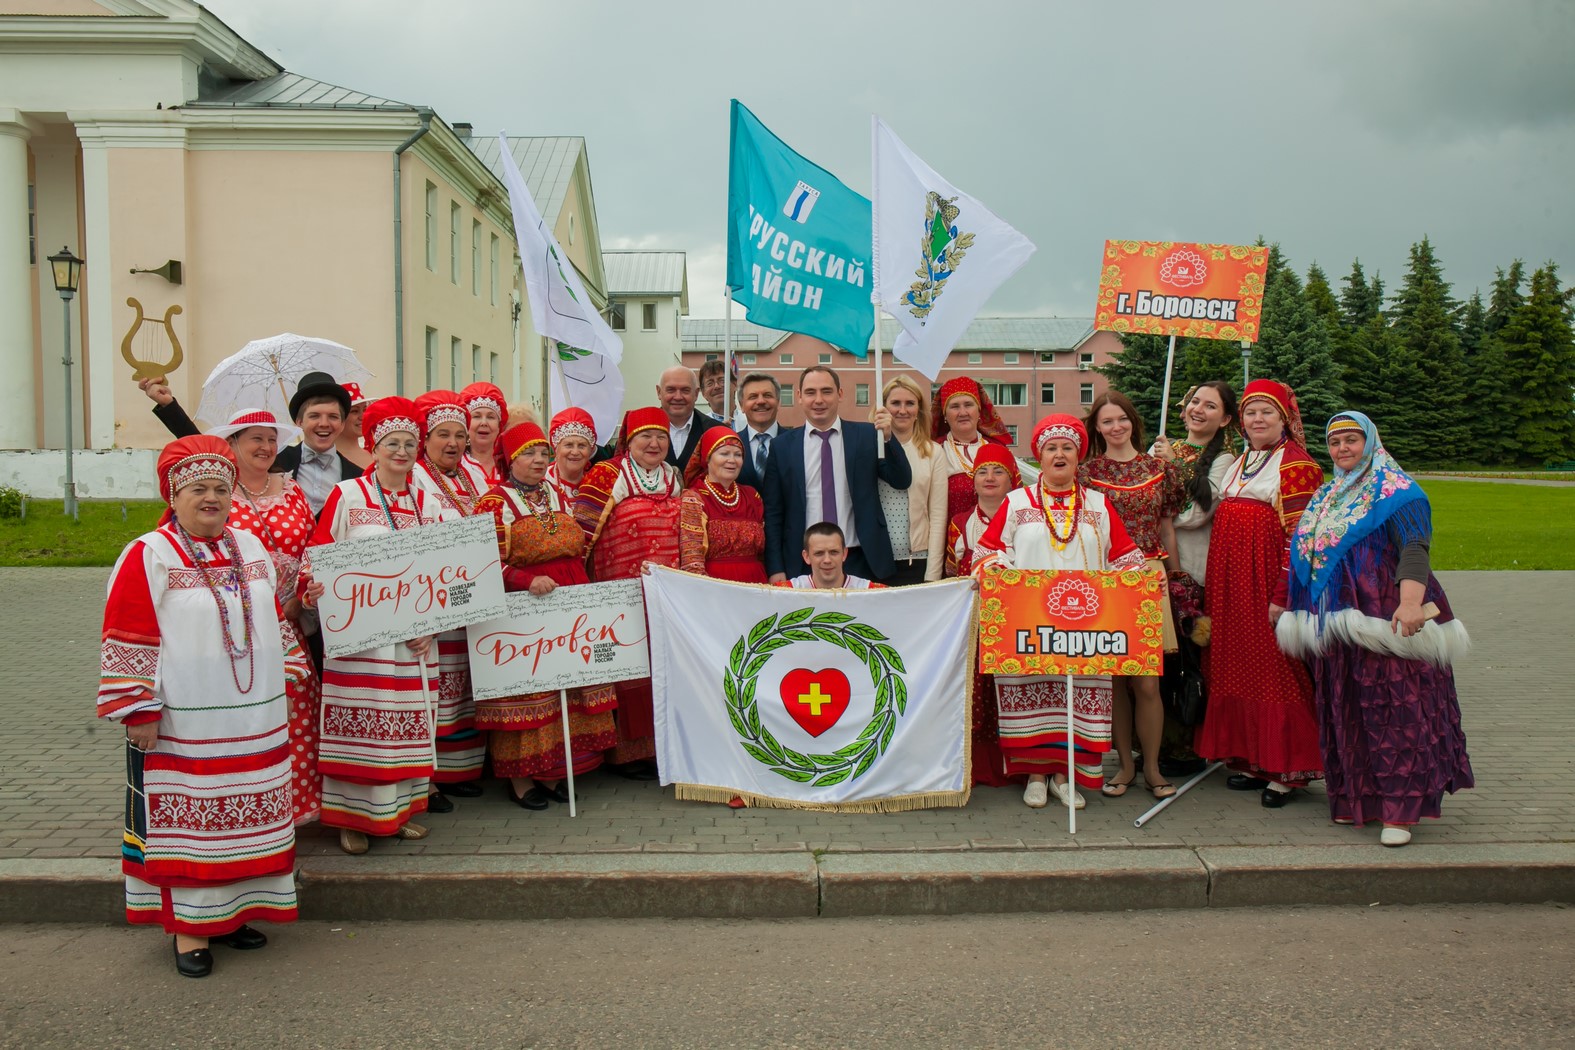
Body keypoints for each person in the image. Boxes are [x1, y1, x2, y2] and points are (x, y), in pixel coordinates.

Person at [99, 436, 299, 977]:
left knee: (243, 818)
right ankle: (190, 930)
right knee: (193, 824)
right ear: (174, 494)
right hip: (184, 721)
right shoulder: (150, 553)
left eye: (220, 488)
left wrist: (298, 643)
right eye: (197, 489)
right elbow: (128, 633)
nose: (211, 498)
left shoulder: (250, 547)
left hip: (254, 715)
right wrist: (139, 709)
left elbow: (272, 616)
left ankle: (231, 916)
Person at [1278, 411, 1473, 846]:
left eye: (1352, 439)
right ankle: (1356, 799)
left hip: (1385, 616)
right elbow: (1305, 553)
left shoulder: (1400, 492)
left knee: (1394, 711)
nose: (1343, 449)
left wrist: (1408, 603)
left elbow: (1415, 549)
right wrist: (1291, 605)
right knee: (1345, 706)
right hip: (1337, 623)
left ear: (1370, 442)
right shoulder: (1327, 494)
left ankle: (1400, 813)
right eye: (1335, 442)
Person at [972, 415, 1147, 810]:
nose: (1059, 454)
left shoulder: (1099, 506)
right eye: (1051, 448)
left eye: (1067, 447)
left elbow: (1125, 557)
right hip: (1028, 625)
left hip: (1085, 625)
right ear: (1039, 456)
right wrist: (1002, 577)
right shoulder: (1017, 503)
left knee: (1074, 695)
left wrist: (1138, 583)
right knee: (1034, 695)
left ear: (1078, 457)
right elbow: (985, 552)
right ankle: (1035, 774)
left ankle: (1065, 775)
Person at [301, 397, 451, 854]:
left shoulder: (430, 504)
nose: (401, 451)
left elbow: (452, 569)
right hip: (363, 642)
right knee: (363, 728)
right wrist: (313, 588)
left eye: (409, 443)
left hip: (415, 641)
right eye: (392, 443)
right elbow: (318, 553)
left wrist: (434, 623)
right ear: (373, 446)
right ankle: (353, 819)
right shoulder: (348, 496)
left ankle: (397, 814)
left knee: (406, 728)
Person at [473, 422, 618, 809]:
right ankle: (521, 778)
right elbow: (481, 564)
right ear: (510, 459)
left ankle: (555, 770)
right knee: (531, 691)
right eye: (528, 454)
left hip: (568, 601)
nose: (538, 460)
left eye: (542, 453)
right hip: (524, 608)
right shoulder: (494, 502)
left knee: (566, 688)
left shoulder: (558, 494)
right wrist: (524, 579)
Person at [1195, 379, 1325, 808]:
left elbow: (1301, 539)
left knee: (1276, 667)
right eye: (1250, 412)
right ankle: (1254, 758)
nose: (1257, 419)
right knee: (1236, 662)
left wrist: (1282, 595)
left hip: (1264, 579)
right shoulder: (1243, 459)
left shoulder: (1296, 465)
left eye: (1266, 412)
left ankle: (1287, 768)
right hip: (1231, 580)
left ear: (1284, 418)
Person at [207, 409, 322, 827]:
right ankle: (247, 808)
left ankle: (292, 810)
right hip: (236, 622)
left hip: (291, 619)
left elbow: (312, 545)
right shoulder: (219, 493)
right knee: (247, 710)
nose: (266, 448)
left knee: (295, 709)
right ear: (233, 443)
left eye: (272, 440)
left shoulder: (290, 490)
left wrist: (301, 597)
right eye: (255, 439)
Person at [1081, 391, 1185, 802]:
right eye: (1107, 421)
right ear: (1097, 428)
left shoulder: (1160, 469)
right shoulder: (1086, 474)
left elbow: (1167, 528)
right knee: (1116, 680)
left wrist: (1176, 576)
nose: (1116, 427)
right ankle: (1124, 765)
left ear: (1132, 421)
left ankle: (1153, 767)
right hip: (1106, 578)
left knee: (1147, 683)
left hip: (1148, 577)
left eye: (1121, 418)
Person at [574, 406, 686, 777]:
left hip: (663, 593)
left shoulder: (674, 476)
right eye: (645, 437)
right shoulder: (606, 475)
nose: (654, 444)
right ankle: (624, 754)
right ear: (628, 440)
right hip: (619, 592)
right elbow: (582, 535)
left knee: (661, 668)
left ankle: (660, 749)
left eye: (661, 437)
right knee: (626, 668)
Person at [1150, 382, 1237, 777]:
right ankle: (1154, 741)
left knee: (1188, 661)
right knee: (1162, 659)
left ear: (1226, 418)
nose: (1199, 409)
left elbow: (1195, 513)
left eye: (1211, 405)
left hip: (1195, 570)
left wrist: (1173, 467)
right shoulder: (1165, 449)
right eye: (1195, 402)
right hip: (1159, 567)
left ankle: (1187, 747)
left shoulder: (1224, 460)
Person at [407, 390, 489, 810]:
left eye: (460, 434)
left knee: (462, 688)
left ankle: (459, 771)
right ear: (426, 438)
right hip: (434, 598)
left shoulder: (472, 475)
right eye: (443, 434)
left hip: (470, 595)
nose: (453, 443)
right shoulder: (415, 477)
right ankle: (428, 781)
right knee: (433, 689)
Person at [761, 365, 911, 585]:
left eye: (827, 391)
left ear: (840, 394)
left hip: (861, 557)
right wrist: (775, 567)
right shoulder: (781, 447)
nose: (819, 400)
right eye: (811, 392)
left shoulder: (867, 435)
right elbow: (774, 513)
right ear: (799, 397)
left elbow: (901, 480)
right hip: (803, 562)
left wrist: (889, 439)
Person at [944, 442, 1019, 788]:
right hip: (973, 619)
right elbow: (949, 574)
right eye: (982, 472)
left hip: (1013, 616)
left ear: (1013, 478)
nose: (989, 478)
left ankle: (1019, 761)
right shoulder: (960, 524)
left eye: (998, 471)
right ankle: (974, 763)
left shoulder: (1024, 520)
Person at [925, 377, 1020, 581]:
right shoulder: (933, 451)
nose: (962, 412)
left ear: (979, 411)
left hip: (1000, 545)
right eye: (954, 406)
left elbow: (1017, 500)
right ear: (944, 414)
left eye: (968, 405)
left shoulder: (999, 450)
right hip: (947, 546)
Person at [680, 426, 767, 583]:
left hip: (756, 584)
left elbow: (762, 553)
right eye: (724, 453)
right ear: (708, 458)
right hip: (715, 588)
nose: (732, 460)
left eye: (738, 455)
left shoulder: (752, 496)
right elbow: (691, 558)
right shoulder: (694, 497)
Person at [274, 371, 362, 514]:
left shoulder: (358, 477)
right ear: (299, 421)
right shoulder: (276, 462)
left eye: (333, 417)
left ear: (342, 424)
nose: (324, 423)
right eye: (314, 416)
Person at [879, 375, 938, 586]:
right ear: (883, 407)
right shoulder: (868, 447)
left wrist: (933, 573)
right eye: (895, 403)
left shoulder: (933, 452)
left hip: (916, 561)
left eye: (910, 403)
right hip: (875, 560)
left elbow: (938, 516)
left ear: (918, 410)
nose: (902, 410)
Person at [657, 365, 722, 474]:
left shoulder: (716, 432)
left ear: (696, 394)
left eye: (685, 390)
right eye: (671, 390)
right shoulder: (638, 431)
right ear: (659, 392)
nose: (678, 397)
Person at [780, 522, 882, 589]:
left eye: (834, 552)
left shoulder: (869, 591)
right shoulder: (787, 591)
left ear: (844, 554)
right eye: (819, 553)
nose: (827, 560)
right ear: (806, 556)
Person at [735, 372, 784, 492]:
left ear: (778, 402)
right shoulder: (731, 443)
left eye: (767, 395)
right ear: (742, 405)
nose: (761, 401)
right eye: (753, 396)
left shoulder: (797, 444)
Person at [545, 407, 598, 502]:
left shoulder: (597, 484)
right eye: (569, 445)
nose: (575, 452)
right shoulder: (541, 481)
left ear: (590, 450)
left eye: (582, 446)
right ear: (556, 448)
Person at [460, 381, 507, 485]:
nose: (484, 423)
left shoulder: (509, 465)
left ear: (499, 426)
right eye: (476, 416)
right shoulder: (456, 464)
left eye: (491, 417)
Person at [336, 382, 374, 471]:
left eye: (365, 409)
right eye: (354, 411)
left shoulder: (376, 455)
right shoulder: (326, 458)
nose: (362, 416)